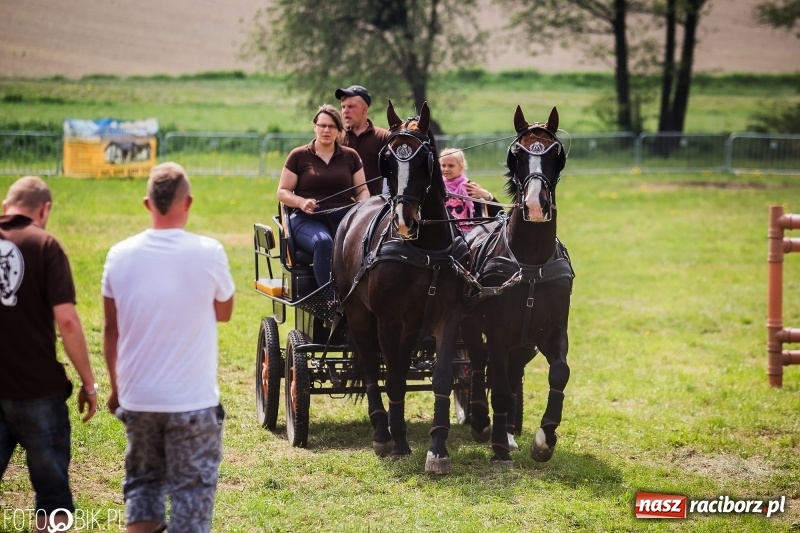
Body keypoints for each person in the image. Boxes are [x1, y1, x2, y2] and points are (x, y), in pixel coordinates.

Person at [102, 162, 235, 533]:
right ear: (187, 202)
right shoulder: (209, 251)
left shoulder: (118, 255)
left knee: (142, 489)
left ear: (148, 203)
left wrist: (116, 389)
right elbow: (224, 311)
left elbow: (110, 330)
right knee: (191, 496)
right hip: (192, 402)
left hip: (138, 399)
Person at [0, 176, 98, 533]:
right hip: (37, 389)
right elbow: (68, 322)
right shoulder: (46, 245)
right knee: (53, 497)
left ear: (4, 207)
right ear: (45, 210)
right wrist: (89, 383)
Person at [277, 104, 370, 287]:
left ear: (339, 131)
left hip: (343, 219)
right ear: (315, 127)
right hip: (306, 219)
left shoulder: (350, 156)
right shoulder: (299, 155)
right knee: (324, 242)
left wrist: (363, 207)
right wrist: (301, 202)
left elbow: (361, 190)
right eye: (322, 125)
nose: (326, 130)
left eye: (331, 126)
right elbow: (282, 191)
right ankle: (329, 298)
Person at [335, 85, 390, 196]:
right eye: (343, 107)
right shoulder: (336, 136)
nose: (345, 111)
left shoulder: (383, 137)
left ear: (364, 109)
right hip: (339, 205)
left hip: (373, 207)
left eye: (351, 107)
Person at [439, 148, 504, 233]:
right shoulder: (438, 188)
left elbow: (501, 214)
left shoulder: (470, 188)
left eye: (451, 166)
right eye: (443, 165)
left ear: (461, 166)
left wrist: (488, 197)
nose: (446, 169)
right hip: (444, 233)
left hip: (469, 235)